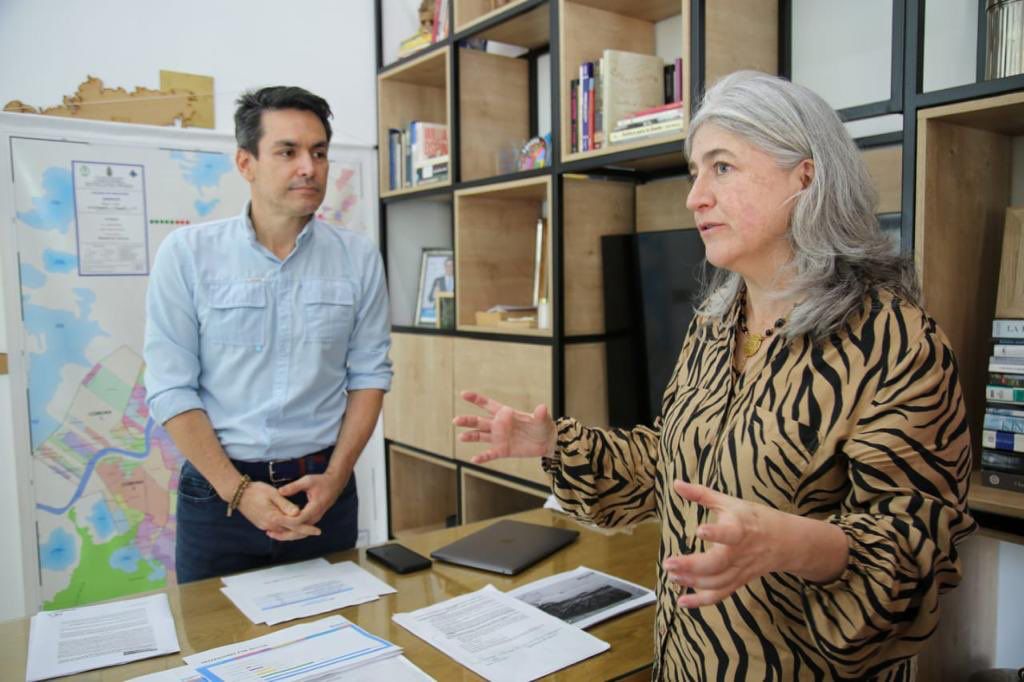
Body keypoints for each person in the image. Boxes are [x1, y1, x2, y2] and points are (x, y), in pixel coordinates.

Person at [454, 71, 975, 680]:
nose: (695, 195)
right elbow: (672, 465)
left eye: (721, 167)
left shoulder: (895, 340)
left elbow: (917, 551)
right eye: (695, 171)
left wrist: (791, 543)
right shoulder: (717, 321)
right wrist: (553, 444)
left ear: (805, 176)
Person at [144, 86, 392, 583]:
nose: (309, 166)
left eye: (319, 152)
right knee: (217, 647)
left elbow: (369, 375)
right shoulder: (187, 254)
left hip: (323, 491)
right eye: (288, 151)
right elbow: (172, 387)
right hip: (219, 498)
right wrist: (238, 492)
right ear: (246, 162)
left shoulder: (358, 257)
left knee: (336, 644)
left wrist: (337, 476)